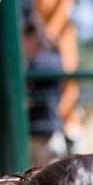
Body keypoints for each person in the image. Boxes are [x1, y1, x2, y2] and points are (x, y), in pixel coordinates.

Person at [21, 19, 66, 166]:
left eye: (23, 40)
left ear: (32, 38)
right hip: (51, 128)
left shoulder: (38, 63)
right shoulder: (54, 58)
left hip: (41, 134)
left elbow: (27, 96)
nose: (22, 45)